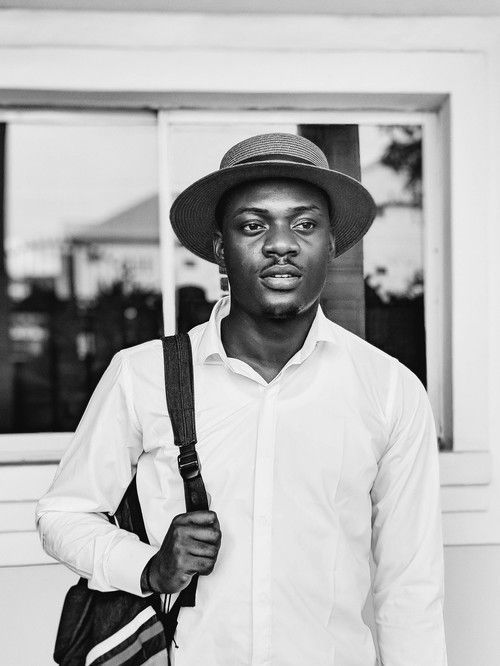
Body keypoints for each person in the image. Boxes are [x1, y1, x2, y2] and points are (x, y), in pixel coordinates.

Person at [36, 132, 447, 665]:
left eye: (305, 225)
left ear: (331, 244)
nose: (281, 244)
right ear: (219, 249)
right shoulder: (143, 375)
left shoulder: (389, 389)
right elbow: (63, 514)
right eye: (253, 225)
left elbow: (410, 587)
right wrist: (147, 567)